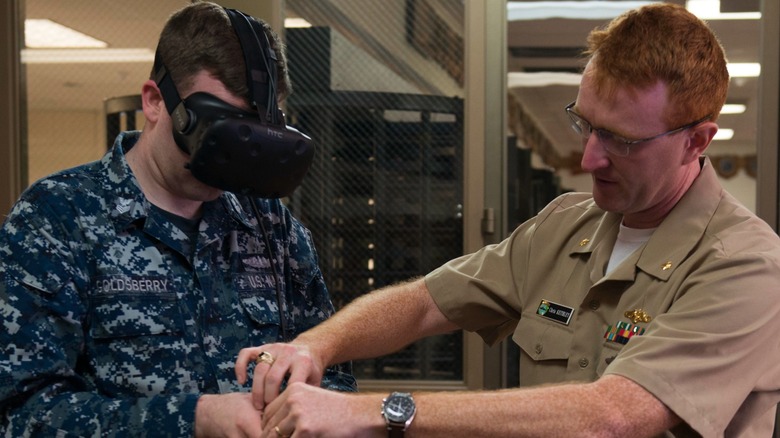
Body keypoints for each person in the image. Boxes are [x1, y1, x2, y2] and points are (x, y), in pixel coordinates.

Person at [235, 3, 780, 437]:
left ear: (696, 141)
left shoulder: (746, 266)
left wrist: (375, 411)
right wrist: (317, 346)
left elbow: (613, 416)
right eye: (586, 126)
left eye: (622, 140)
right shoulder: (567, 224)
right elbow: (426, 301)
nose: (589, 159)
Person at [0, 2, 356, 437]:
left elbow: (332, 377)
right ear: (154, 102)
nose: (230, 161)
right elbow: (23, 414)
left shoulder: (271, 228)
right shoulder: (58, 218)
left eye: (253, 137)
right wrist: (195, 419)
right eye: (215, 131)